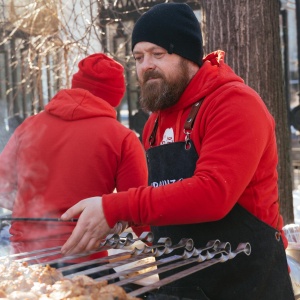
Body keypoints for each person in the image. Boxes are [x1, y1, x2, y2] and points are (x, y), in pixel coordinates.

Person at [60, 3, 294, 300]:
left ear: (187, 55)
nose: (146, 65)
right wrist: (120, 225)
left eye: (158, 54)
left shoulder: (234, 103)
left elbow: (213, 194)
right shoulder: (155, 122)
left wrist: (116, 206)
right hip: (182, 287)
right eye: (139, 57)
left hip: (247, 284)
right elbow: (163, 203)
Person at [0, 53, 148, 261]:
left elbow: (3, 190)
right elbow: (138, 212)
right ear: (115, 97)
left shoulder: (29, 126)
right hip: (84, 261)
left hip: (24, 258)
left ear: (75, 86)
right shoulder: (122, 138)